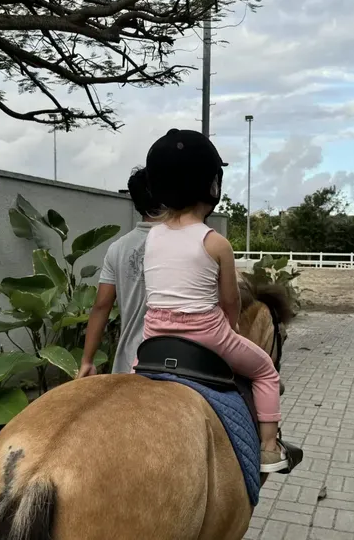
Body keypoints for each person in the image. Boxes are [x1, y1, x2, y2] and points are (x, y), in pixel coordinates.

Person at [139, 128, 298, 473]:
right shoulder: (215, 242)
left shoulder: (152, 237)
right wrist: (230, 331)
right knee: (266, 373)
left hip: (152, 338)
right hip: (206, 335)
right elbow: (229, 304)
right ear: (213, 186)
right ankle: (269, 449)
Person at [77, 167, 161, 378]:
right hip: (172, 362)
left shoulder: (118, 248)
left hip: (128, 362)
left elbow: (101, 306)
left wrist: (87, 360)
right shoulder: (183, 243)